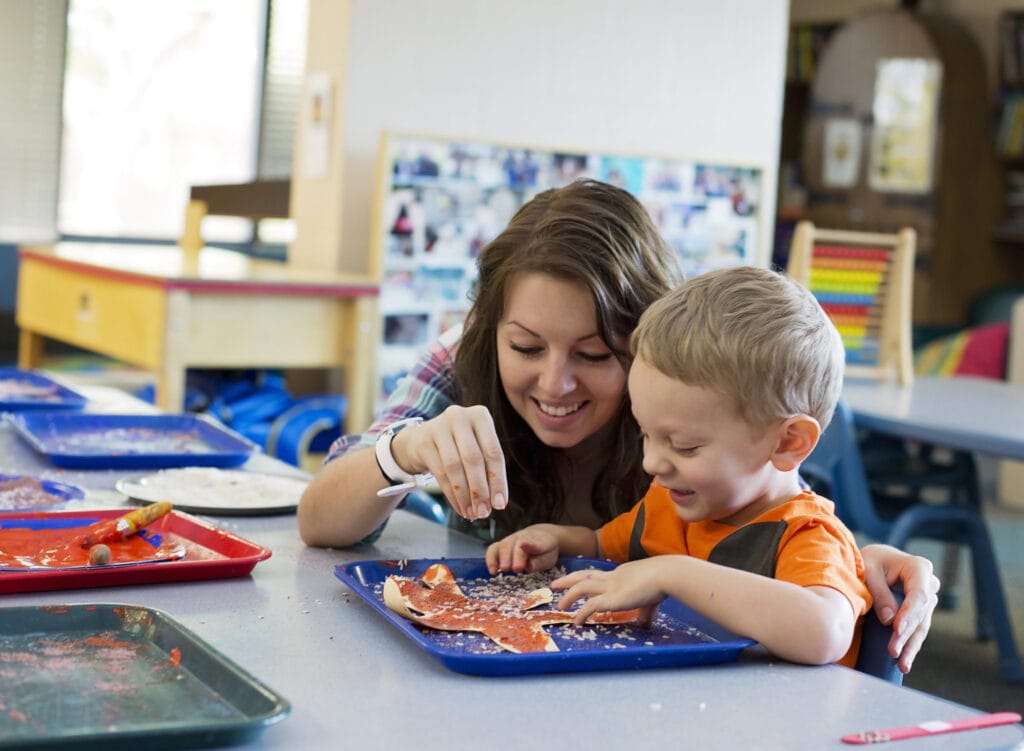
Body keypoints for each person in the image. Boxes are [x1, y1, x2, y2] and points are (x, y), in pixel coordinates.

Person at [297, 178, 938, 672]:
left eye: (596, 355)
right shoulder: (462, 357)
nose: (554, 383)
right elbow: (320, 522)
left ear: (647, 346)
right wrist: (401, 453)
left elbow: (773, 528)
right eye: (524, 347)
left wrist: (857, 561)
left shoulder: (695, 387)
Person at [486, 266, 869, 666]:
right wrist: (556, 539)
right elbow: (601, 545)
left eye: (685, 446)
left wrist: (671, 573)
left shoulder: (809, 536)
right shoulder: (668, 506)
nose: (651, 462)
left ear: (789, 443)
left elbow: (825, 633)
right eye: (645, 435)